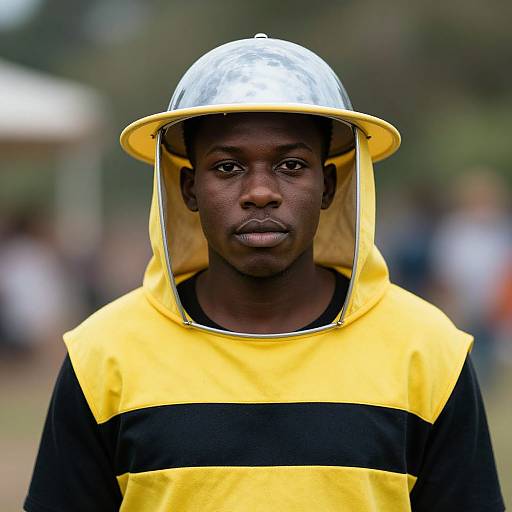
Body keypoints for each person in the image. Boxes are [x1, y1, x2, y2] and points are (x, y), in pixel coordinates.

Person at [25, 35, 504, 512]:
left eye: (291, 165)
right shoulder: (103, 356)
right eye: (228, 166)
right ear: (188, 188)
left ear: (329, 185)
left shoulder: (428, 351)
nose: (260, 192)